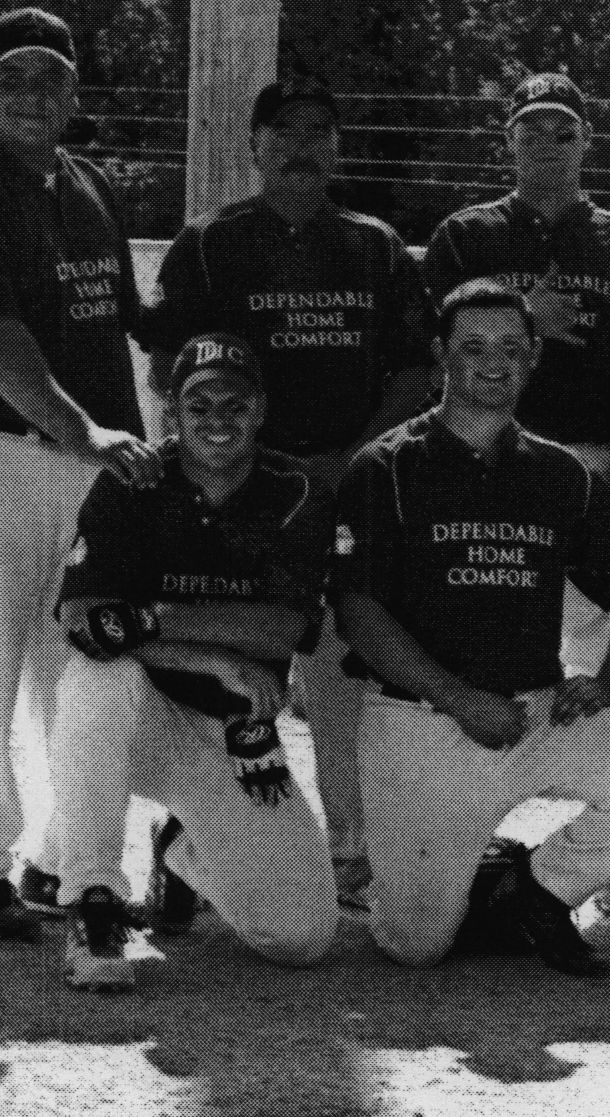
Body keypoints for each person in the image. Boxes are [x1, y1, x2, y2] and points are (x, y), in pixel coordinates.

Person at [331, 279, 610, 974]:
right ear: (440, 356)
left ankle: (535, 892)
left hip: (532, 712)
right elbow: (358, 613)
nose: (492, 362)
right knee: (415, 945)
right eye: (472, 346)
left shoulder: (557, 471)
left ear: (533, 359)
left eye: (510, 348)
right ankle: (481, 876)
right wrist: (459, 698)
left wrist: (609, 683)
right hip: (422, 719)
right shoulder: (385, 466)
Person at [146, 77, 437, 915]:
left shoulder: (375, 244)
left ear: (338, 147)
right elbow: (172, 368)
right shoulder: (210, 243)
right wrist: (243, 464)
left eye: (321, 130)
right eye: (285, 130)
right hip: (242, 489)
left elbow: (416, 368)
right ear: (255, 144)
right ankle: (185, 847)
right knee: (223, 673)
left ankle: (347, 849)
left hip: (346, 484)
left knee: (340, 670)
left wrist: (348, 458)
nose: (303, 145)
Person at [422, 72, 610, 920]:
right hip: (484, 461)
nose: (547, 143)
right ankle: (450, 835)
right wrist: (521, 311)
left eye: (562, 129)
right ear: (508, 142)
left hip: (592, 462)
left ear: (586, 141)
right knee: (472, 645)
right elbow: (428, 350)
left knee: (604, 662)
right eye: (531, 130)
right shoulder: (465, 235)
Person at [50, 332, 338, 992]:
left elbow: (282, 623)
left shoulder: (295, 490)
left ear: (260, 409)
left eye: (233, 404)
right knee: (96, 673)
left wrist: (150, 618)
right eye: (197, 404)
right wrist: (210, 656)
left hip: (229, 736)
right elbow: (82, 618)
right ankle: (92, 900)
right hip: (141, 716)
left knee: (300, 936)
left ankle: (182, 851)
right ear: (172, 412)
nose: (216, 420)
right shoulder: (133, 478)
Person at [0, 6, 162, 932]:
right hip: (16, 451)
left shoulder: (88, 179)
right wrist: (81, 431)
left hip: (86, 462)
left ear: (74, 89)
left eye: (49, 76)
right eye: (11, 76)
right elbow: (5, 342)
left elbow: (124, 318)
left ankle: (58, 863)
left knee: (78, 675)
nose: (31, 95)